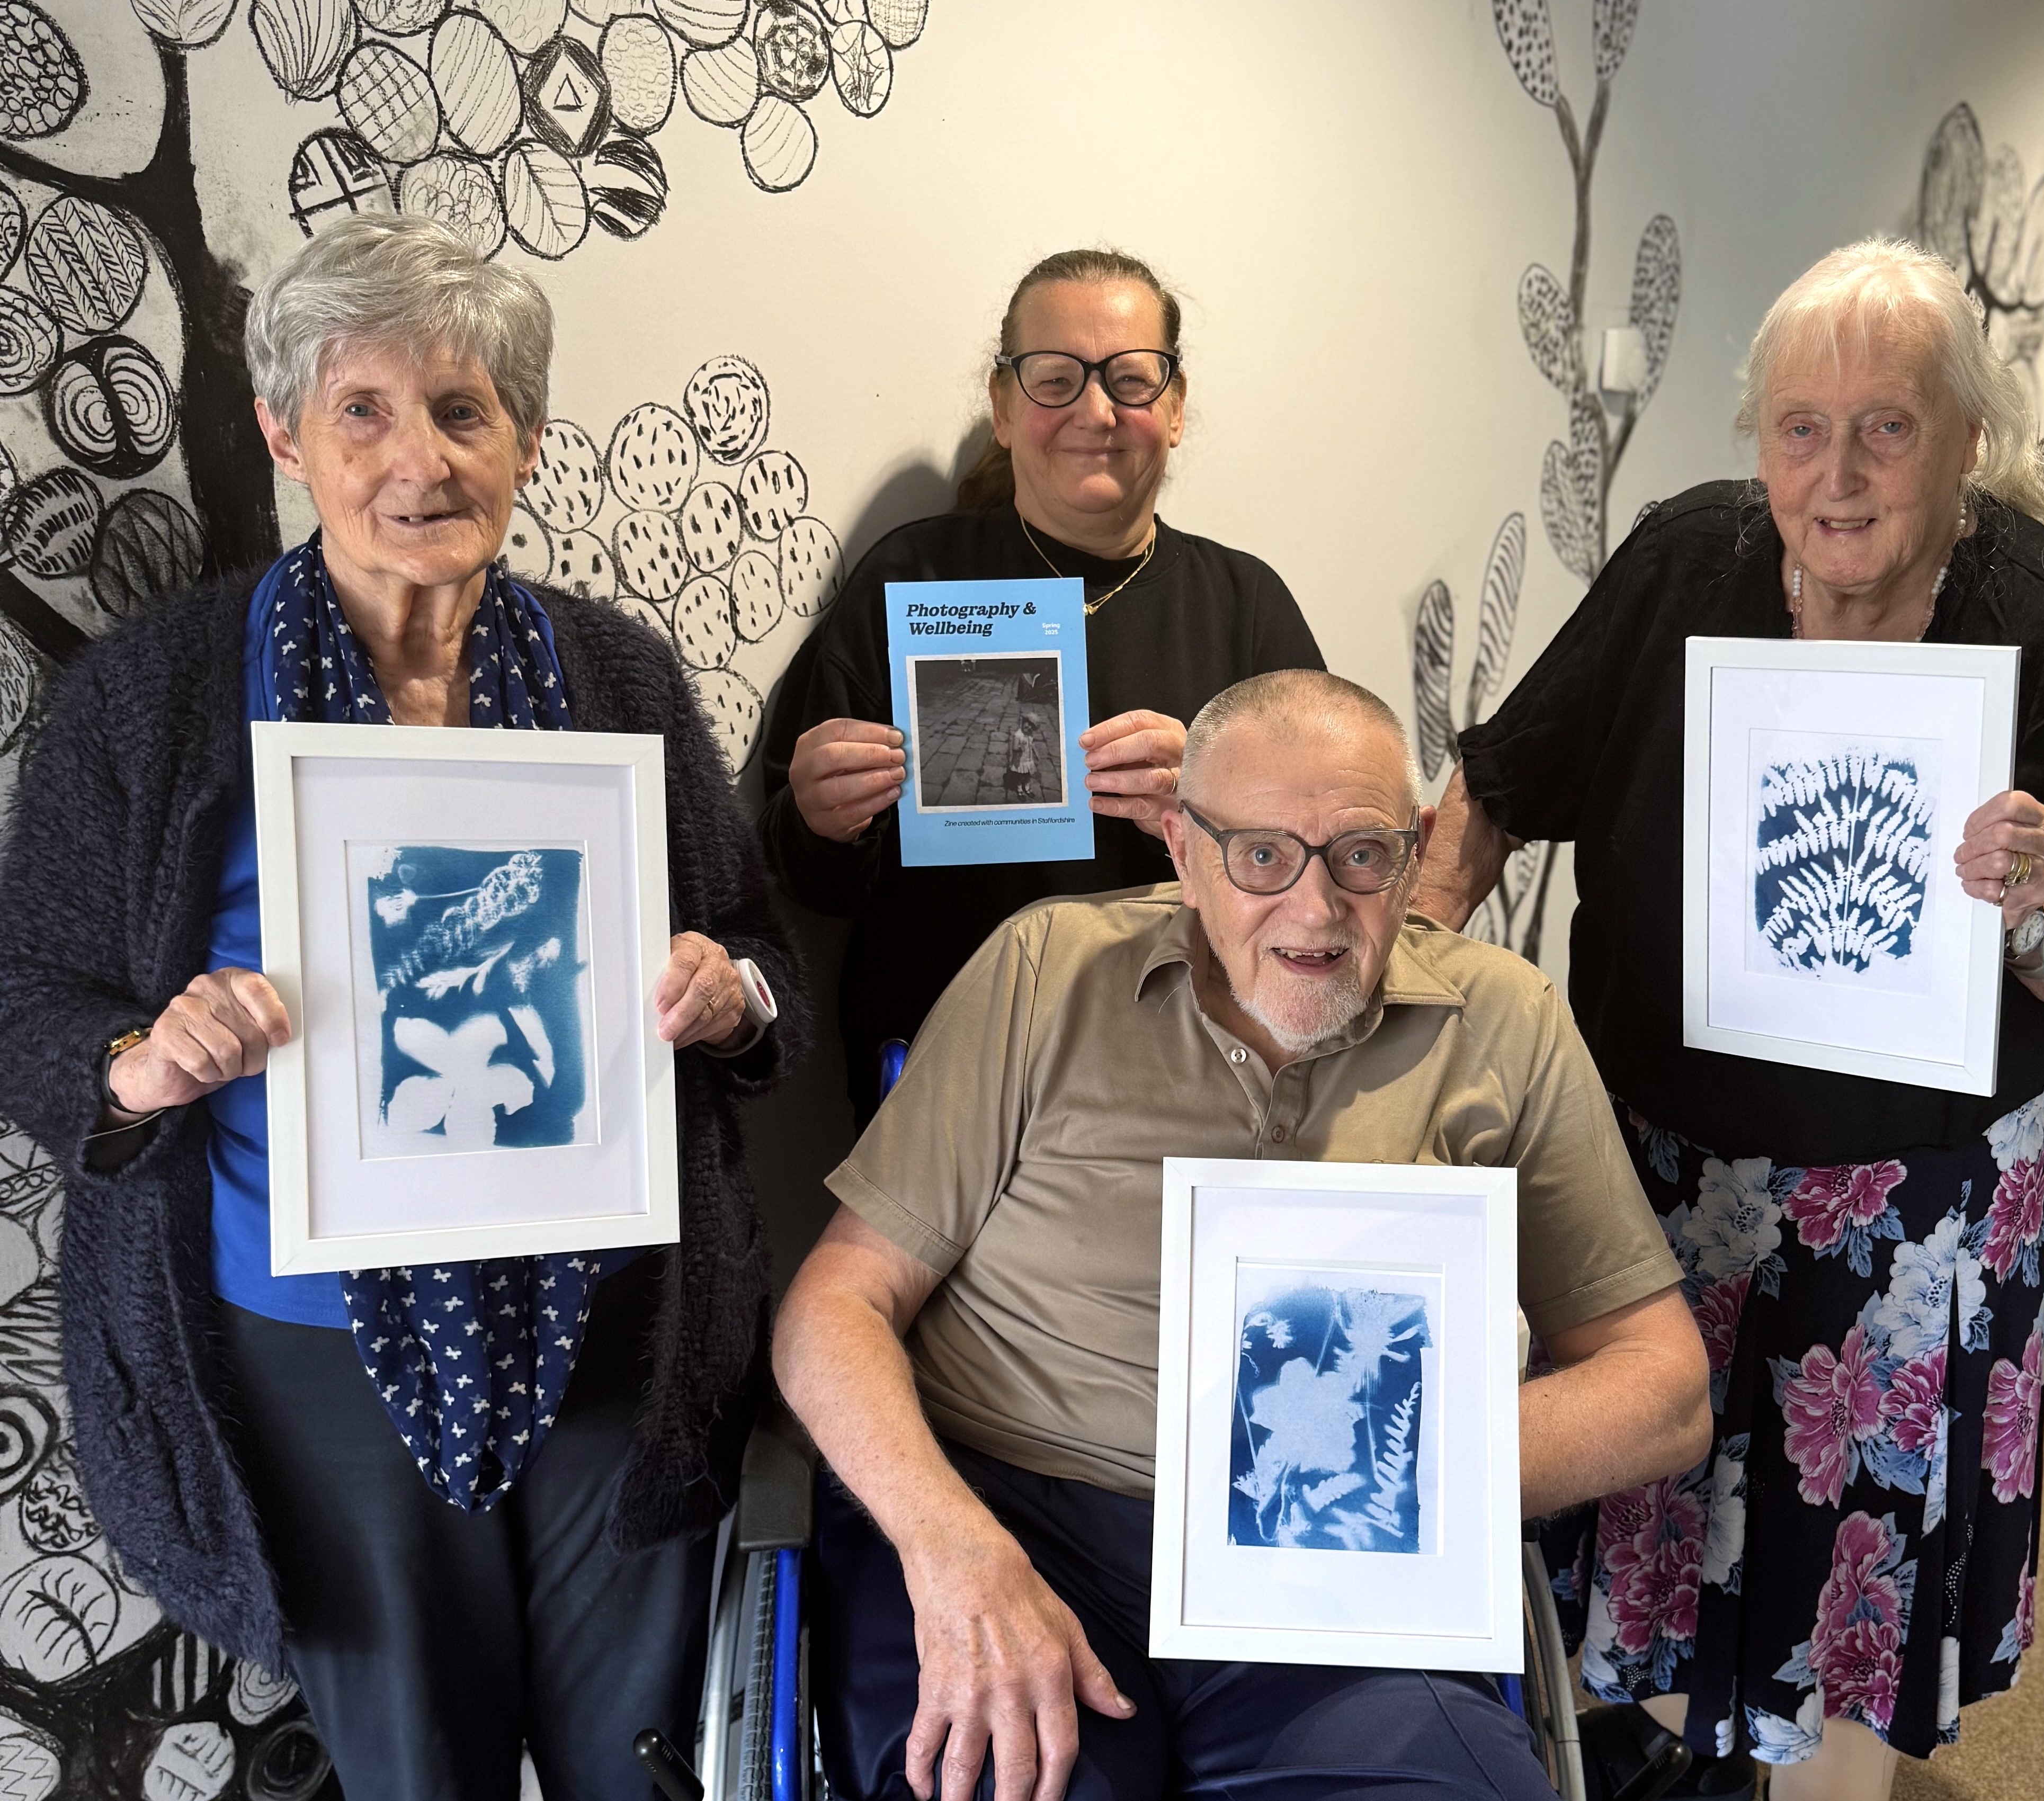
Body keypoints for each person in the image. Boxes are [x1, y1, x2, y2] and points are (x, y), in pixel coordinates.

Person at [0, 215, 807, 1801]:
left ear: (525, 436)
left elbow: (754, 941)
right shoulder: (156, 696)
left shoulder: (617, 678)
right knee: (412, 1767)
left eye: (462, 409)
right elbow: (28, 991)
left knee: (632, 1761)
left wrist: (732, 994)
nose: (416, 459)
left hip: (606, 1339)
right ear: (283, 434)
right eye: (361, 410)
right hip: (307, 1350)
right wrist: (140, 1063)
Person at [1414, 238, 2044, 1800]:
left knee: (1852, 1579)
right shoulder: (1680, 564)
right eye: (1797, 426)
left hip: (1909, 1208)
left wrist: (2037, 918)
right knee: (1647, 1530)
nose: (1834, 473)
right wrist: (1413, 998)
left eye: (1886, 427)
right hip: (1649, 1166)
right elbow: (1496, 786)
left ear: (1967, 439)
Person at [772, 669, 1712, 1801]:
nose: (1314, 910)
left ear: (1415, 853)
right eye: (1260, 855)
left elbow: (1665, 1389)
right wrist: (949, 1550)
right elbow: (836, 1306)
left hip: (1336, 1565)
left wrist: (1398, 1468)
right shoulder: (1043, 971)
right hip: (1019, 1516)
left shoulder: (1505, 1022)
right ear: (1181, 848)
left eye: (1361, 854)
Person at [758, 249, 1325, 1116]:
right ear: (1003, 405)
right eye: (1056, 378)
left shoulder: (1246, 607)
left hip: (1189, 1089)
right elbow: (812, 886)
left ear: (1174, 409)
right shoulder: (913, 578)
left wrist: (1216, 805)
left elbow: (1330, 882)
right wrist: (821, 820)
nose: (1096, 411)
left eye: (1132, 381)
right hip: (948, 1090)